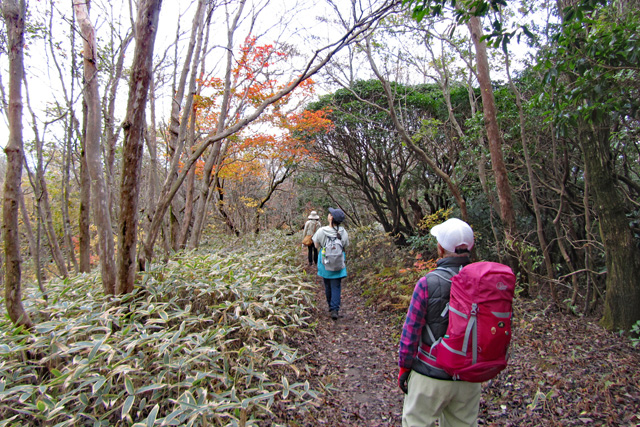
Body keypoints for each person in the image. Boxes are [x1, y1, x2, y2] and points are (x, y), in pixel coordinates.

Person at [398, 218, 479, 427]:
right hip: (469, 377)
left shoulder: (427, 283)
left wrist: (404, 368)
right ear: (470, 247)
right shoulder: (484, 282)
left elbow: (411, 331)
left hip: (430, 374)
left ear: (440, 248)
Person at [312, 207, 349, 320]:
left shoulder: (322, 231)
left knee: (327, 284)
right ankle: (335, 309)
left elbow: (316, 246)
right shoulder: (343, 231)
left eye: (330, 214)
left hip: (325, 261)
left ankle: (330, 305)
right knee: (336, 285)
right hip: (338, 261)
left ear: (331, 218)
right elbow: (345, 245)